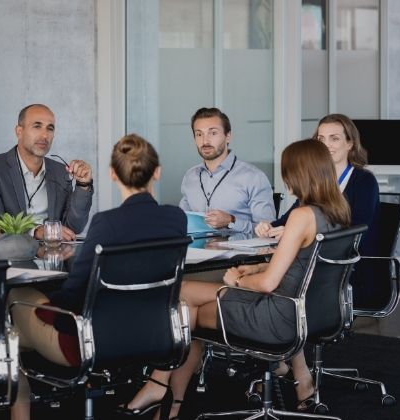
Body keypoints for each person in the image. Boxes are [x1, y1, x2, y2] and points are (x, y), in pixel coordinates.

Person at [125, 139, 351, 419]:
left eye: (287, 171)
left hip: (276, 316)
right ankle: (164, 396)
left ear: (301, 173)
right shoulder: (338, 212)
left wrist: (238, 280)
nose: (285, 179)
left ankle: (164, 394)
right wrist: (253, 271)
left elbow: (269, 284)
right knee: (183, 300)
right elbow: (300, 266)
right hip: (309, 314)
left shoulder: (302, 215)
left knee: (183, 306)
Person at [8, 134, 187, 420]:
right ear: (158, 172)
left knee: (15, 303)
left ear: (112, 175)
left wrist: (48, 304)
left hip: (95, 343)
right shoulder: (176, 218)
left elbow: (74, 297)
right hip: (156, 337)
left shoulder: (106, 225)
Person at [255, 114, 379, 303]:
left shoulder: (364, 181)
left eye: (334, 138)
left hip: (348, 267)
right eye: (321, 139)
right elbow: (286, 221)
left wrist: (296, 235)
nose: (326, 145)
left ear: (350, 144)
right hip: (314, 265)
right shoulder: (315, 184)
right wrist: (268, 227)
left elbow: (356, 231)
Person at [0, 104, 93, 243]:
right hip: (9, 257)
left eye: (50, 128)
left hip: (53, 257)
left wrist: (83, 185)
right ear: (19, 131)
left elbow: (74, 227)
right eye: (37, 126)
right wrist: (36, 231)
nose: (45, 135)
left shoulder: (60, 170)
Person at [180, 107, 275, 235]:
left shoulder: (253, 177)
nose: (205, 141)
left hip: (240, 254)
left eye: (213, 133)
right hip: (196, 251)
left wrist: (232, 221)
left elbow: (268, 231)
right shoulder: (190, 177)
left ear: (228, 136)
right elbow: (181, 223)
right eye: (199, 134)